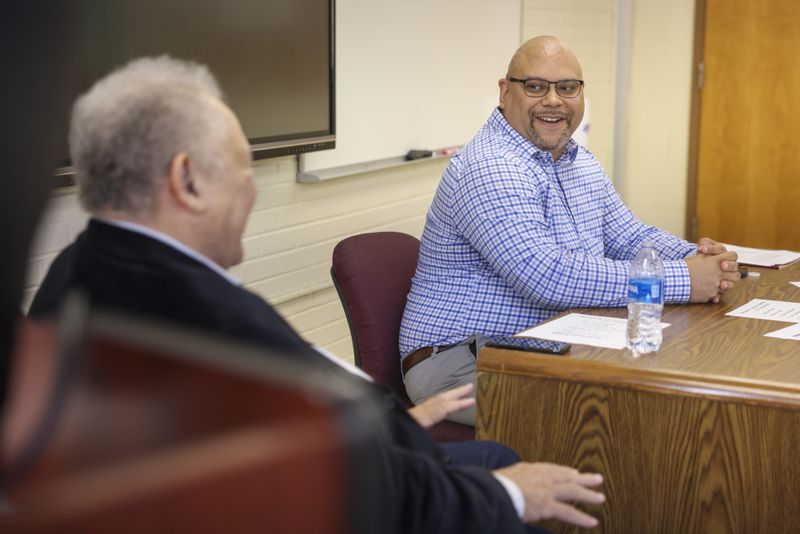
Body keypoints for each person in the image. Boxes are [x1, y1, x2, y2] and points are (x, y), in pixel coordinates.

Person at [29, 56, 605, 533]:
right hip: (341, 493)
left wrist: (395, 419)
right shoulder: (214, 323)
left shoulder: (78, 273)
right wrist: (506, 499)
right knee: (509, 480)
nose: (251, 193)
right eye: (241, 169)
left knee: (495, 458)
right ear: (186, 181)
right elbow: (360, 484)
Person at [399, 35, 741, 426]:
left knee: (663, 390)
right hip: (463, 363)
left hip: (543, 343)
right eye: (535, 86)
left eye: (567, 88)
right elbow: (549, 277)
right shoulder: (492, 167)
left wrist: (696, 256)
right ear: (504, 92)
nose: (553, 101)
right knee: (622, 413)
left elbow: (627, 235)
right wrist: (683, 279)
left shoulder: (576, 160)